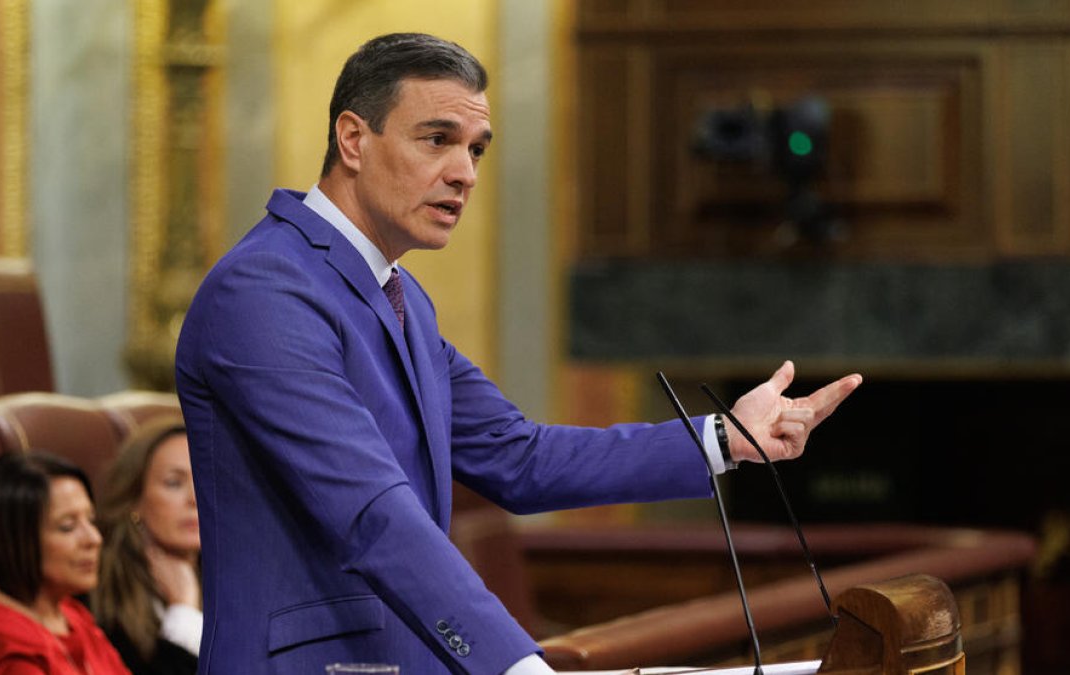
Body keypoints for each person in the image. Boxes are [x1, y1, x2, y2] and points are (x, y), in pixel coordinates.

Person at [174, 32, 863, 675]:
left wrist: (726, 438)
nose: (463, 172)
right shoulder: (263, 289)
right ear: (353, 138)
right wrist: (518, 665)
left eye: (476, 148)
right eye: (437, 139)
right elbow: (370, 510)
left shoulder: (398, 292)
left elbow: (520, 457)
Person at [0, 451, 131, 675]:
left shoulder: (71, 614)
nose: (94, 539)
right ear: (15, 540)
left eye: (90, 520)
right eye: (67, 526)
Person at [91, 417, 201, 675]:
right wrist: (183, 611)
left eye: (205, 480)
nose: (195, 498)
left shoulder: (235, 574)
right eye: (174, 483)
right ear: (134, 499)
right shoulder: (102, 592)